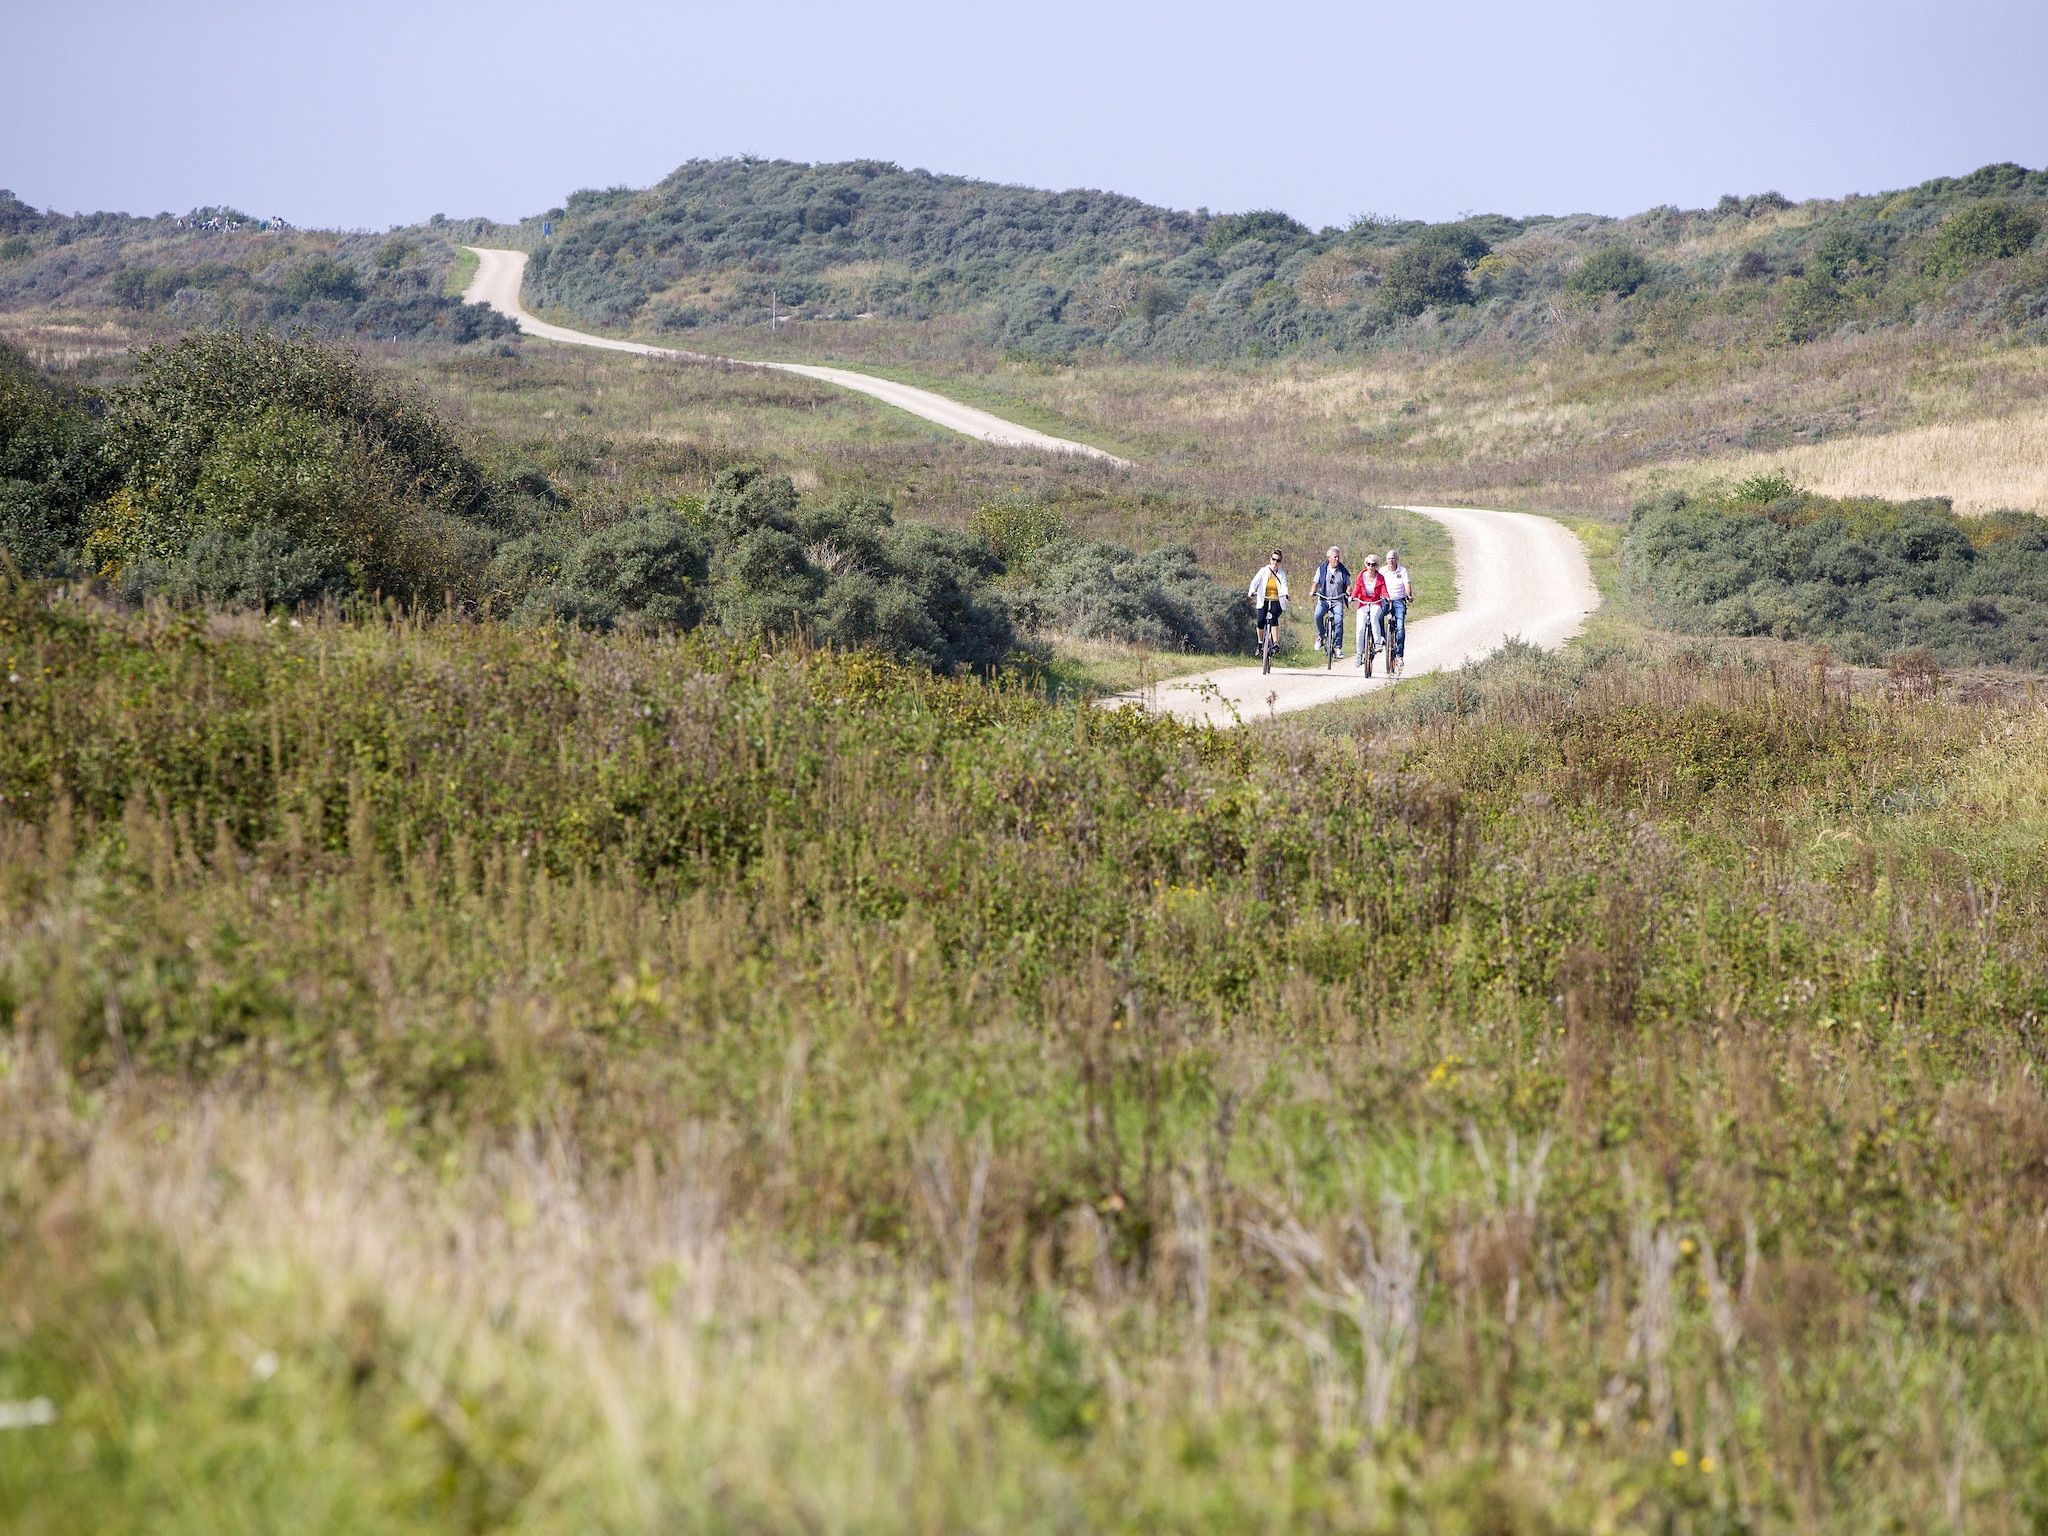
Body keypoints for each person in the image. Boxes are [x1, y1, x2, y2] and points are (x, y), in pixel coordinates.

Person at [1309, 545, 1351, 656]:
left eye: (1338, 557)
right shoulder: (1322, 569)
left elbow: (1348, 585)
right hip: (1324, 599)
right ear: (1329, 558)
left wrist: (1348, 592)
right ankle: (1321, 636)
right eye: (1335, 557)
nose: (1337, 559)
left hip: (1337, 600)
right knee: (1317, 615)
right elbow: (1315, 582)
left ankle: (1338, 647)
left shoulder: (1343, 570)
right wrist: (1312, 591)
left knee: (1338, 620)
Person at [1350, 554, 1389, 669]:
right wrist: (1352, 597)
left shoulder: (1380, 577)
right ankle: (1359, 654)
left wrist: (1386, 597)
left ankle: (1377, 643)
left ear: (1377, 566)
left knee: (1373, 617)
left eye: (1373, 565)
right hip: (1363, 603)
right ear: (1365, 564)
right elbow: (1356, 589)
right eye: (1368, 564)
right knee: (1360, 629)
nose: (1371, 567)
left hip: (1376, 603)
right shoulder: (1361, 576)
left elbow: (1384, 590)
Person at [1246, 548, 1289, 652]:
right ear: (1270, 559)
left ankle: (1275, 644)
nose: (1275, 562)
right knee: (1260, 620)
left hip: (1276, 599)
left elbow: (1284, 586)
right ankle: (1260, 643)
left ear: (1280, 562)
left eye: (1278, 560)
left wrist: (1286, 594)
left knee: (1274, 618)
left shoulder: (1281, 574)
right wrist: (1252, 592)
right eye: (1273, 559)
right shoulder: (1263, 571)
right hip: (1263, 598)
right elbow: (1254, 582)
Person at [1382, 548, 1414, 675]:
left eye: (1393, 558)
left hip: (1399, 600)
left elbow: (1407, 584)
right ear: (1386, 560)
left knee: (1400, 627)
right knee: (1377, 616)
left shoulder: (1402, 571)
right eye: (1389, 558)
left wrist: (1409, 595)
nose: (1391, 560)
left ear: (1397, 559)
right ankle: (1381, 638)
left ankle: (1399, 655)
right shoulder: (1382, 571)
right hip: (1385, 600)